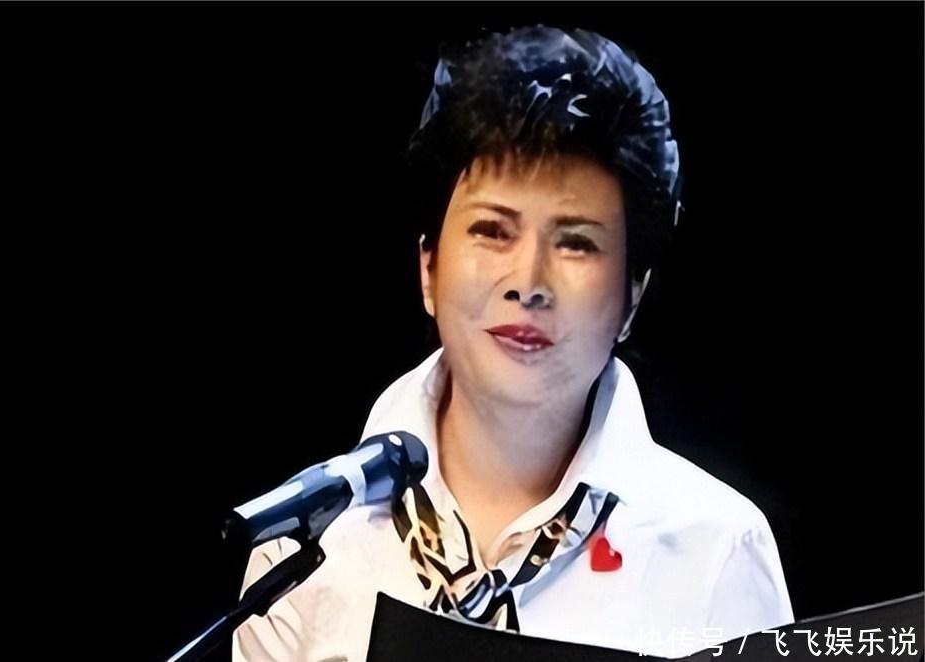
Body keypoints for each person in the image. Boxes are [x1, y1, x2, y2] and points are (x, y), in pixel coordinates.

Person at [232, 25, 794, 661]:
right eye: (493, 231)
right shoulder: (309, 544)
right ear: (428, 269)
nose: (528, 283)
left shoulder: (717, 551)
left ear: (631, 299)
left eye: (576, 242)